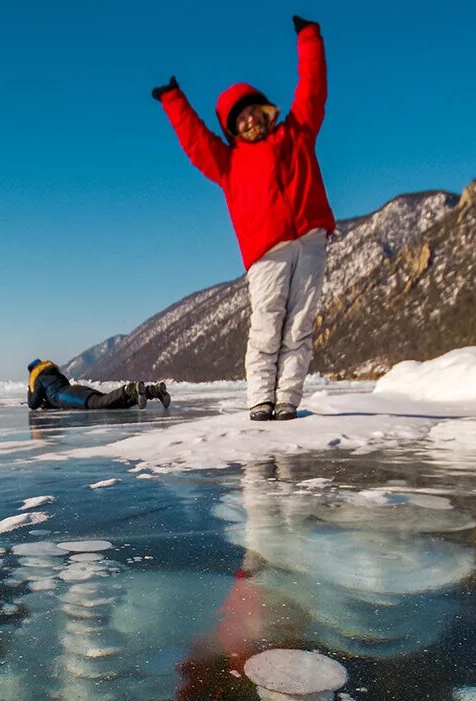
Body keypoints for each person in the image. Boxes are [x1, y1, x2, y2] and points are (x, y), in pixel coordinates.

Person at [153, 16, 335, 422]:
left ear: (267, 113)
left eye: (254, 112)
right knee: (267, 325)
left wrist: (309, 37)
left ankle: (287, 399)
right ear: (233, 129)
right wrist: (174, 100)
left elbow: (313, 88)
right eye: (241, 119)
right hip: (266, 251)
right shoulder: (229, 163)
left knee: (300, 324)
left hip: (310, 240)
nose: (250, 121)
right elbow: (196, 140)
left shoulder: (297, 133)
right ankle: (260, 400)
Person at [27, 359, 170, 412]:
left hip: (69, 396)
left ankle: (129, 389)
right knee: (114, 404)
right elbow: (54, 395)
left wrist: (30, 388)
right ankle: (152, 391)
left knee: (101, 403)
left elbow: (33, 404)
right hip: (76, 390)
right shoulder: (56, 374)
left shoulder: (39, 379)